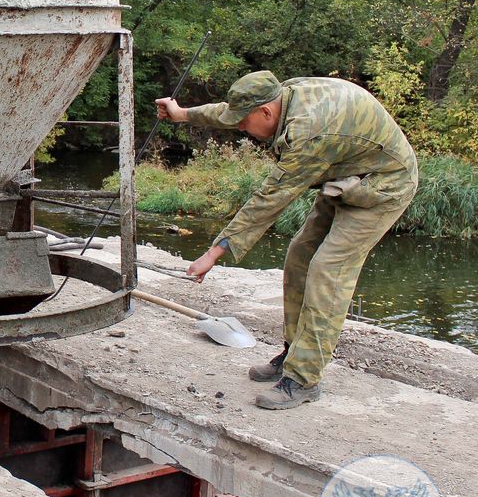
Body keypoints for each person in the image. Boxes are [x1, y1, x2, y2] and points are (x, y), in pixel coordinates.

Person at [156, 71, 417, 410]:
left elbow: (270, 199)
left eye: (244, 124)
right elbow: (229, 111)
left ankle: (304, 380)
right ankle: (293, 351)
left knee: (328, 270)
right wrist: (182, 114)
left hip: (384, 186)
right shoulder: (281, 96)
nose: (241, 130)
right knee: (299, 255)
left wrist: (214, 252)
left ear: (266, 112)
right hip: (347, 175)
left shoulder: (309, 132)